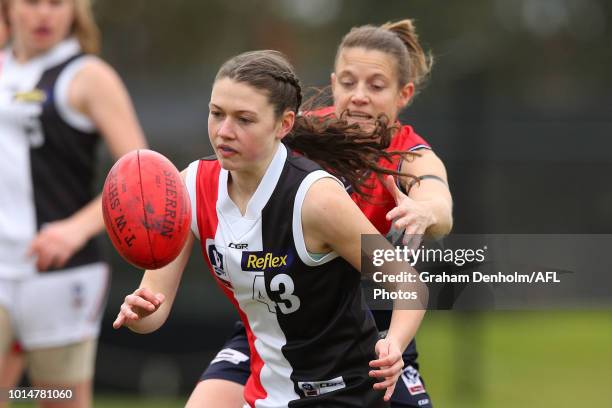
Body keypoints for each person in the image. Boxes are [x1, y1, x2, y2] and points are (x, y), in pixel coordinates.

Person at [113, 49, 427, 408]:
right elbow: (155, 306)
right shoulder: (191, 187)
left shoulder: (316, 199)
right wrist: (140, 314)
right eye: (217, 114)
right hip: (266, 389)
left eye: (244, 119)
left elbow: (409, 283)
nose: (224, 131)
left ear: (284, 124)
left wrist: (395, 346)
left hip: (343, 394)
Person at [188, 19, 453, 408]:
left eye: (376, 86)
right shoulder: (299, 132)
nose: (359, 96)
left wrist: (424, 211)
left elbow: (438, 200)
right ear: (333, 83)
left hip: (375, 339)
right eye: (347, 82)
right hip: (274, 324)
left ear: (404, 94)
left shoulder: (410, 155)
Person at [0, 0, 148, 406]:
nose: (44, 13)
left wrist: (74, 229)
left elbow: (141, 178)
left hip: (58, 276)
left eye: (56, 2)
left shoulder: (87, 76)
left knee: (58, 399)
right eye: (32, 2)